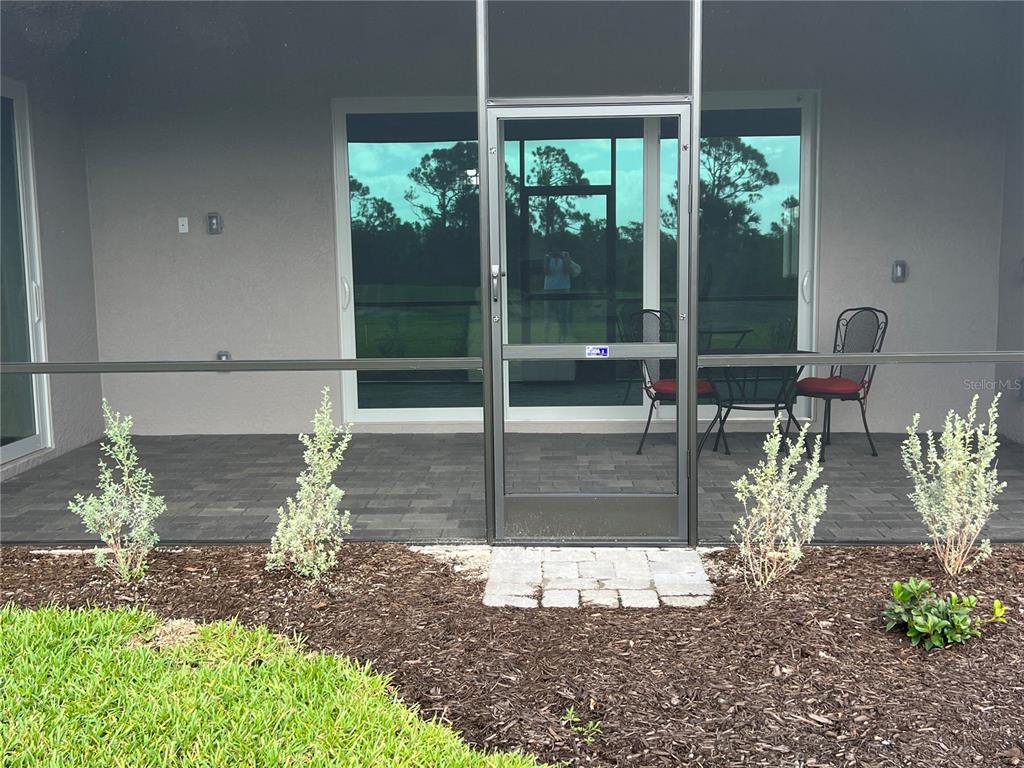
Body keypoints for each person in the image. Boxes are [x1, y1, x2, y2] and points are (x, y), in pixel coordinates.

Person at [543, 251, 580, 341]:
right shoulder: (547, 258)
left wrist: (566, 260)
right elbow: (546, 272)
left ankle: (564, 338)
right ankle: (546, 338)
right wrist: (546, 261)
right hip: (549, 289)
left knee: (563, 316)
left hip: (563, 288)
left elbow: (571, 271)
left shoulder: (566, 259)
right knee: (548, 316)